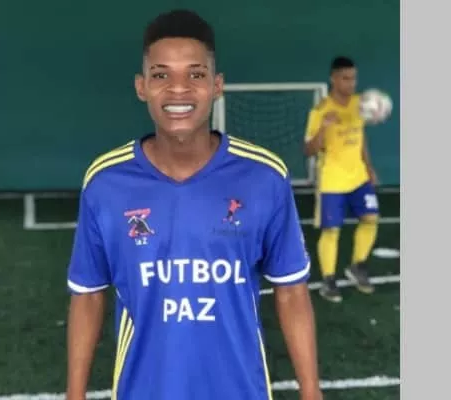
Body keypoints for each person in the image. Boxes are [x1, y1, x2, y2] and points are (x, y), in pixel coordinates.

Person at [65, 9, 323, 400]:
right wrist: (74, 394)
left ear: (217, 85)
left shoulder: (264, 176)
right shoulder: (105, 182)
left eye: (196, 74)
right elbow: (87, 293)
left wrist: (312, 392)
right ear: (141, 86)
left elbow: (290, 290)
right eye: (161, 75)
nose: (178, 89)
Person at [304, 56, 380, 303]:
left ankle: (358, 266)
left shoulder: (360, 104)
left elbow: (361, 137)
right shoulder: (320, 110)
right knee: (331, 230)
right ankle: (329, 280)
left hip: (359, 176)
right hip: (332, 180)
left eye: (353, 78)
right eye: (345, 78)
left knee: (371, 219)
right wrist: (324, 127)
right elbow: (309, 150)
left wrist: (369, 166)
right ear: (333, 79)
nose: (351, 83)